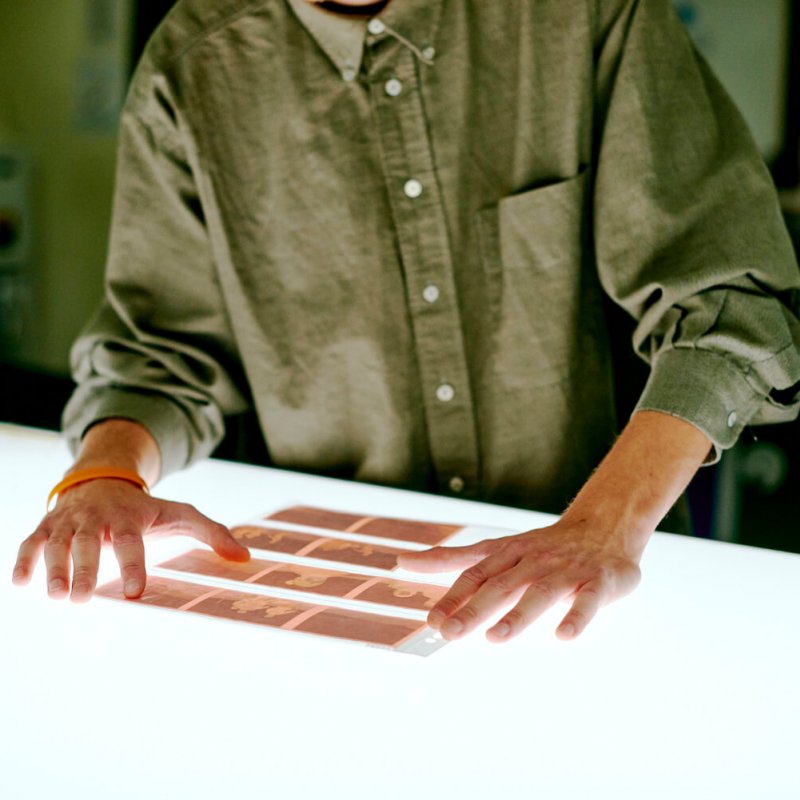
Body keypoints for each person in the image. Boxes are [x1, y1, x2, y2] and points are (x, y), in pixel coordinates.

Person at [12, 0, 800, 643]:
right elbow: (159, 352)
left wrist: (605, 525)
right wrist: (107, 473)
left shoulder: (588, 15)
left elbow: (727, 308)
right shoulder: (192, 66)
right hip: (342, 596)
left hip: (600, 581)